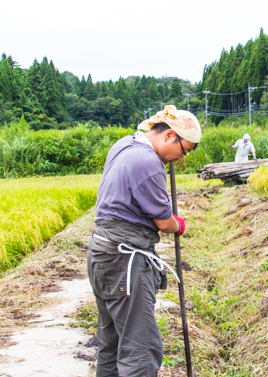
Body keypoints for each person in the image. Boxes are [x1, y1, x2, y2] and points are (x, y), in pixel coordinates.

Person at [87, 105, 201, 377]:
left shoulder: (124, 145)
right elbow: (164, 222)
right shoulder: (147, 162)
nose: (182, 159)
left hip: (101, 255)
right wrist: (178, 224)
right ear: (170, 135)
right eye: (184, 150)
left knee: (111, 344)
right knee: (140, 348)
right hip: (124, 262)